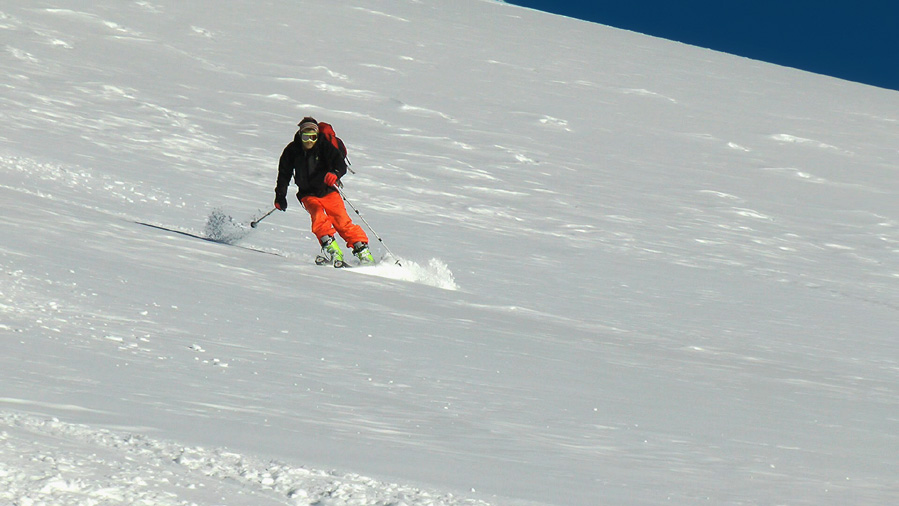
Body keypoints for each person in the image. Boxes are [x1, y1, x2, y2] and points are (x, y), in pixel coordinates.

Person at [274, 117, 374, 265]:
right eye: (305, 137)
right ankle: (333, 250)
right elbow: (284, 174)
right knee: (318, 217)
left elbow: (340, 165)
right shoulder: (292, 150)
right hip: (308, 194)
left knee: (342, 221)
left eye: (312, 137)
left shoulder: (325, 146)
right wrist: (280, 196)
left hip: (328, 191)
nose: (309, 141)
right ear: (299, 135)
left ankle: (363, 251)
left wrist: (335, 173)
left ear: (317, 135)